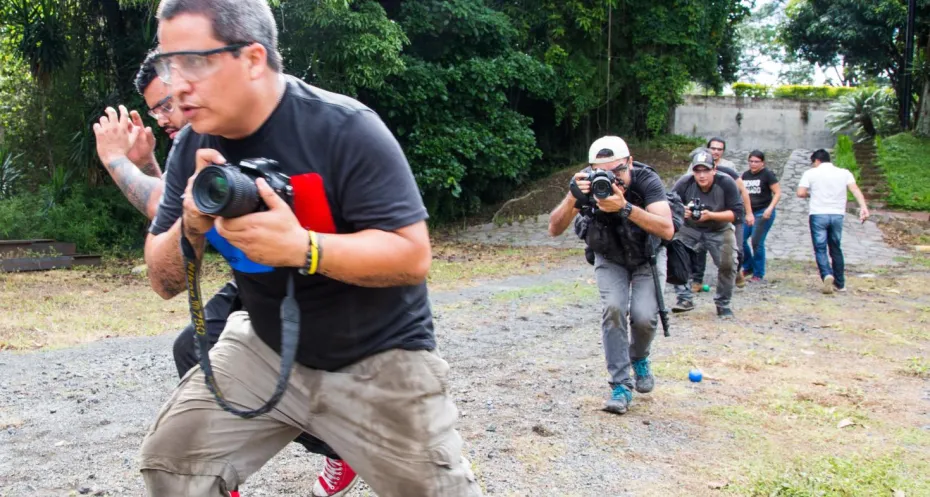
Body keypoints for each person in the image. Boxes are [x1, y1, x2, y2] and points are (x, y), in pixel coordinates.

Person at [139, 1, 481, 496]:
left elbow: (412, 256)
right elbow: (163, 281)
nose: (177, 84)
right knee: (170, 466)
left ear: (253, 58)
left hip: (378, 357)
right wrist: (191, 223)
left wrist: (304, 248)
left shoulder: (344, 127)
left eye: (194, 61)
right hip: (267, 346)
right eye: (170, 64)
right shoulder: (190, 147)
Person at [92, 51, 360, 497]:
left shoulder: (225, 131)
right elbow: (183, 211)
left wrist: (117, 162)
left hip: (311, 279)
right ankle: (219, 473)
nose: (160, 117)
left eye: (166, 104)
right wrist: (147, 167)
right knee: (192, 350)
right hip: (254, 280)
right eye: (154, 109)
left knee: (276, 377)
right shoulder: (187, 145)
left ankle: (343, 447)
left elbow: (171, 205)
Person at [548, 136, 675, 414]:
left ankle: (639, 356)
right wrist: (573, 195)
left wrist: (625, 208)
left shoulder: (646, 181)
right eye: (600, 171)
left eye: (617, 170)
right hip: (609, 256)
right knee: (614, 309)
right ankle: (620, 385)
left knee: (644, 316)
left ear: (629, 163)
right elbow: (554, 229)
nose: (610, 178)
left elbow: (667, 229)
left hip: (647, 256)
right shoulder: (588, 187)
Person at [670, 149, 744, 318]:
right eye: (697, 171)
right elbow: (668, 204)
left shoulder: (726, 183)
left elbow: (737, 213)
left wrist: (711, 215)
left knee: (729, 264)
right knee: (675, 256)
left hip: (719, 228)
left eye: (706, 170)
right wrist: (681, 211)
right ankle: (684, 298)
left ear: (714, 170)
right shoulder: (684, 183)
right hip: (690, 228)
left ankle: (723, 303)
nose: (702, 175)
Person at [797, 149, 870, 294]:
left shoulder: (811, 173)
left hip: (818, 214)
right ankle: (840, 283)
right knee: (836, 248)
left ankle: (826, 274)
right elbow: (855, 190)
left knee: (820, 248)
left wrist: (810, 194)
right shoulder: (844, 173)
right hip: (837, 215)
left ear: (816, 161)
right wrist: (863, 207)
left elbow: (800, 193)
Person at [690, 137, 753, 290]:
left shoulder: (728, 170)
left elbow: (743, 191)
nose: (716, 152)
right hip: (707, 214)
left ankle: (736, 272)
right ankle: (697, 280)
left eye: (719, 149)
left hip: (732, 213)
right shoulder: (694, 171)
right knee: (699, 246)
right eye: (713, 148)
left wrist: (749, 213)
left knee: (737, 249)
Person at [740, 150, 781, 281]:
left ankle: (758, 273)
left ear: (762, 163)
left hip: (763, 212)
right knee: (740, 239)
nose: (753, 164)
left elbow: (778, 193)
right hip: (749, 212)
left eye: (756, 162)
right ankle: (748, 266)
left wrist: (770, 208)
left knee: (757, 241)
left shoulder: (767, 175)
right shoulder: (745, 175)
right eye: (751, 161)